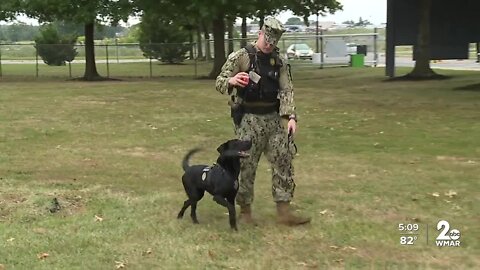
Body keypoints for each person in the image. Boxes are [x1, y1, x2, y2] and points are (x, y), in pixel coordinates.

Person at [215, 17, 311, 226]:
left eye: (273, 42)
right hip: (249, 120)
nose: (269, 45)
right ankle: (245, 212)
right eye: (266, 40)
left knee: (283, 160)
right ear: (260, 33)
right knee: (246, 166)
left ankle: (284, 212)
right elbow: (220, 81)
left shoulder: (280, 62)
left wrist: (291, 117)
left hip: (274, 120)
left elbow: (286, 90)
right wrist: (232, 80)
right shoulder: (242, 56)